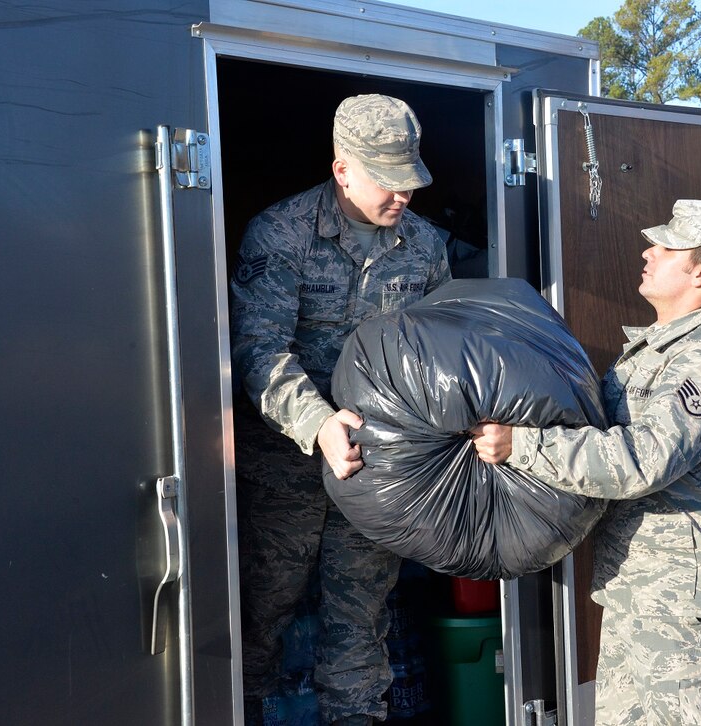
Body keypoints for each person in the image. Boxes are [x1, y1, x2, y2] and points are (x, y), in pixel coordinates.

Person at [471, 199, 701, 725]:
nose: (647, 252)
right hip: (644, 588)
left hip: (687, 605)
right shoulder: (658, 350)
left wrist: (522, 445)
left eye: (666, 247)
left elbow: (641, 462)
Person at [230, 94, 451, 726]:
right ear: (342, 169)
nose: (403, 196)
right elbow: (258, 349)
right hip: (286, 464)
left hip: (375, 463)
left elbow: (436, 352)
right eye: (389, 182)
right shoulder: (281, 233)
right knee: (266, 604)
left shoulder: (426, 247)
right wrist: (318, 423)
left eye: (410, 181)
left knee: (360, 612)